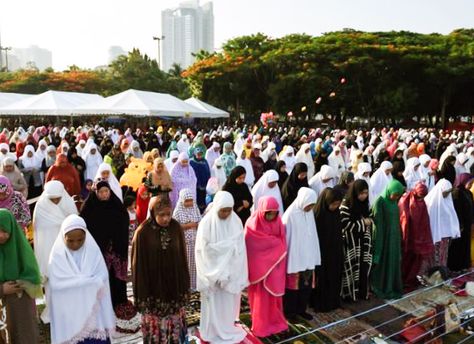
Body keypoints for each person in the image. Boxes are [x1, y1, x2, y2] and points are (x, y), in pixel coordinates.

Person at [80, 180, 140, 334]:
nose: (104, 194)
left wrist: (115, 238)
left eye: (106, 191)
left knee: (116, 276)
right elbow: (84, 224)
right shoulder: (90, 207)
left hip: (116, 249)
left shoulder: (116, 205)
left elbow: (124, 219)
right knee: (103, 276)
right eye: (101, 192)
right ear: (96, 193)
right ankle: (104, 302)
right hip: (99, 251)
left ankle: (119, 300)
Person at [46, 214, 115, 344]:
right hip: (69, 316)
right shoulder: (57, 257)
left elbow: (103, 277)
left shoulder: (93, 251)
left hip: (93, 317)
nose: (76, 244)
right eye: (70, 241)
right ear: (63, 237)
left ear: (86, 236)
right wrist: (88, 282)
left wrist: (80, 283)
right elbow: (56, 285)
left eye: (80, 240)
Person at [132, 194, 190, 343]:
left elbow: (183, 258)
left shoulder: (176, 228)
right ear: (153, 212)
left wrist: (184, 284)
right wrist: (142, 295)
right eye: (161, 215)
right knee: (156, 329)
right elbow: (138, 267)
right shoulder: (143, 233)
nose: (166, 218)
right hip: (153, 290)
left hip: (173, 287)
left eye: (168, 214)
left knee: (174, 329)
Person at [196, 191, 249, 343]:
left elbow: (239, 249)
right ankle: (212, 330)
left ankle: (227, 326)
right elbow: (202, 250)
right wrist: (215, 273)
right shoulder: (207, 223)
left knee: (227, 305)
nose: (226, 214)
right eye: (223, 210)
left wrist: (230, 271)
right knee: (213, 304)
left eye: (228, 210)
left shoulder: (236, 221)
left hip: (230, 273)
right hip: (212, 274)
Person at [244, 196, 288, 337]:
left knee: (273, 299)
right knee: (260, 300)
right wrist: (273, 244)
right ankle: (261, 326)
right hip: (259, 271)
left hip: (274, 270)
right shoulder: (252, 224)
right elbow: (252, 245)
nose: (271, 216)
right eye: (268, 213)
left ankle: (274, 322)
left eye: (274, 213)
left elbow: (282, 242)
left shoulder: (278, 222)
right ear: (262, 211)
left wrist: (274, 247)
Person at [0, 209, 41, 344]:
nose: (1, 235)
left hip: (20, 301)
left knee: (24, 334)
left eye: (5, 230)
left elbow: (33, 275)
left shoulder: (21, 248)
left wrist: (23, 283)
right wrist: (2, 289)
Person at [282, 187, 319, 320]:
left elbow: (312, 234)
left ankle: (301, 310)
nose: (310, 208)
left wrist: (313, 254)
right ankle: (290, 312)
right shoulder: (290, 215)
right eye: (309, 205)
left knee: (306, 286)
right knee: (293, 288)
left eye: (312, 206)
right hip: (295, 256)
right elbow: (286, 238)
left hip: (307, 256)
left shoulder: (308, 213)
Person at [33, 180, 78, 277]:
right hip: (48, 243)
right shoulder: (41, 206)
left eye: (58, 198)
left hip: (67, 241)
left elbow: (75, 223)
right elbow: (39, 230)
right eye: (52, 199)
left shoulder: (68, 203)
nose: (55, 201)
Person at [311, 187, 344, 312]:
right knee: (323, 279)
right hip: (322, 253)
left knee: (334, 276)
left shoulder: (336, 213)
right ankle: (321, 303)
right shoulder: (318, 215)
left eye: (338, 204)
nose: (335, 206)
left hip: (334, 252)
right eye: (333, 204)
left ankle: (333, 301)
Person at [370, 180, 404, 299]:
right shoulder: (380, 201)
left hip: (394, 238)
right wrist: (379, 241)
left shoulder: (394, 201)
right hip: (384, 237)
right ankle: (380, 286)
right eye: (395, 194)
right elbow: (377, 223)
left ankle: (391, 286)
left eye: (398, 195)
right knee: (384, 262)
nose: (396, 197)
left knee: (393, 261)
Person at [340, 179, 373, 301]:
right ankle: (349, 295)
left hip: (363, 241)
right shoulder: (345, 205)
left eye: (366, 193)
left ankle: (362, 293)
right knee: (352, 268)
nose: (364, 196)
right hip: (351, 243)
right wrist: (363, 223)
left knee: (363, 267)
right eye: (361, 193)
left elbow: (370, 218)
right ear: (355, 192)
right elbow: (345, 225)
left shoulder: (365, 204)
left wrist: (366, 223)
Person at [398, 182, 434, 291]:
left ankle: (410, 280)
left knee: (415, 260)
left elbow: (424, 221)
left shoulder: (422, 202)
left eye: (423, 197)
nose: (421, 198)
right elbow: (403, 218)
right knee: (405, 260)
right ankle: (401, 280)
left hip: (418, 238)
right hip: (407, 236)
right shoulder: (405, 200)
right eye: (420, 196)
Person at [425, 179, 460, 268]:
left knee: (442, 257)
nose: (446, 194)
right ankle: (434, 274)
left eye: (448, 192)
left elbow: (452, 217)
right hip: (434, 236)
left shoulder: (447, 200)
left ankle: (441, 273)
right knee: (434, 257)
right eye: (445, 192)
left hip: (444, 237)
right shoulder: (431, 202)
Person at [173, 188, 201, 291]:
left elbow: (200, 221)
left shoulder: (195, 208)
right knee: (185, 264)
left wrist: (196, 225)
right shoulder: (178, 210)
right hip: (184, 243)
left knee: (195, 264)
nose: (189, 203)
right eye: (187, 200)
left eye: (190, 200)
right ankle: (184, 286)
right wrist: (189, 225)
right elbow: (175, 226)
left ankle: (194, 285)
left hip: (195, 241)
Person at [448, 173, 474, 272]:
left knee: (466, 245)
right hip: (459, 225)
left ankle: (464, 265)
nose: (471, 185)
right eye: (470, 183)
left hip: (468, 224)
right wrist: (460, 224)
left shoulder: (468, 193)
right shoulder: (456, 193)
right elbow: (456, 210)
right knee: (458, 246)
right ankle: (456, 267)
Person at [190, 148, 211, 212]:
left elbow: (208, 171)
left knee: (203, 197)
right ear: (194, 154)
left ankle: (203, 211)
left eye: (201, 154)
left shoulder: (204, 161)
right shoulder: (191, 162)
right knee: (197, 197)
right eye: (198, 154)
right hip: (196, 184)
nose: (199, 156)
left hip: (204, 183)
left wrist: (208, 180)